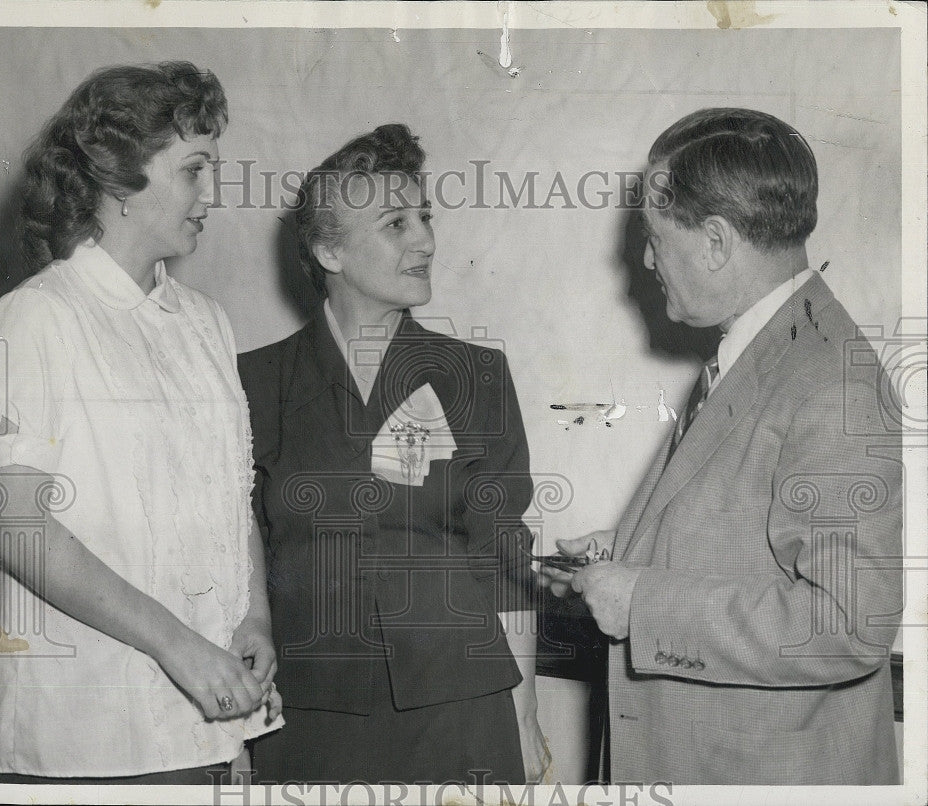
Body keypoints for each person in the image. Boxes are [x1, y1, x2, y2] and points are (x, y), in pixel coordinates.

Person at [542, 108, 902, 785]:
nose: (645, 259)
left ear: (714, 242)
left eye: (654, 237)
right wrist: (627, 555)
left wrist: (642, 601)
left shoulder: (828, 379)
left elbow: (850, 624)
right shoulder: (765, 350)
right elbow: (746, 536)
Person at [0, 61, 282, 784]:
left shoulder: (205, 324)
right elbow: (16, 527)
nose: (214, 194)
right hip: (78, 734)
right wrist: (179, 646)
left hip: (203, 720)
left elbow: (233, 502)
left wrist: (252, 620)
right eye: (194, 170)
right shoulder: (38, 316)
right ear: (118, 180)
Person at [239, 123, 548, 783]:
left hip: (462, 711)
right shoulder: (251, 384)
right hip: (310, 717)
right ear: (329, 251)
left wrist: (526, 715)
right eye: (396, 223)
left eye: (426, 218)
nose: (426, 241)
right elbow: (241, 553)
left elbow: (505, 560)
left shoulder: (478, 376)